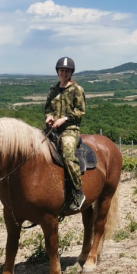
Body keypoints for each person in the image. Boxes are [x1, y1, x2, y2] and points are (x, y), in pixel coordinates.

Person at [44, 56, 86, 211]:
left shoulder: (77, 90)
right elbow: (48, 108)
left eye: (67, 71)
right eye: (61, 70)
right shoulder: (53, 90)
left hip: (70, 129)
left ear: (71, 73)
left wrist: (64, 119)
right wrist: (48, 117)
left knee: (68, 156)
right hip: (52, 129)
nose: (64, 73)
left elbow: (80, 111)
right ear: (57, 72)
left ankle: (77, 191)